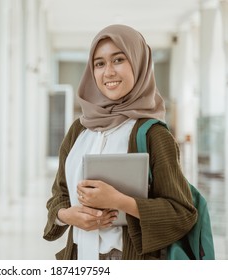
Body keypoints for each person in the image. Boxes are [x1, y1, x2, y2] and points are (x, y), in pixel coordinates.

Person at [43, 24, 197, 260]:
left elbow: (182, 214)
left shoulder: (152, 134)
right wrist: (66, 215)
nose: (108, 72)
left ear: (138, 64)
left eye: (118, 60)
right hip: (79, 257)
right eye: (100, 63)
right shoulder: (79, 130)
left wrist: (120, 202)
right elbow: (59, 195)